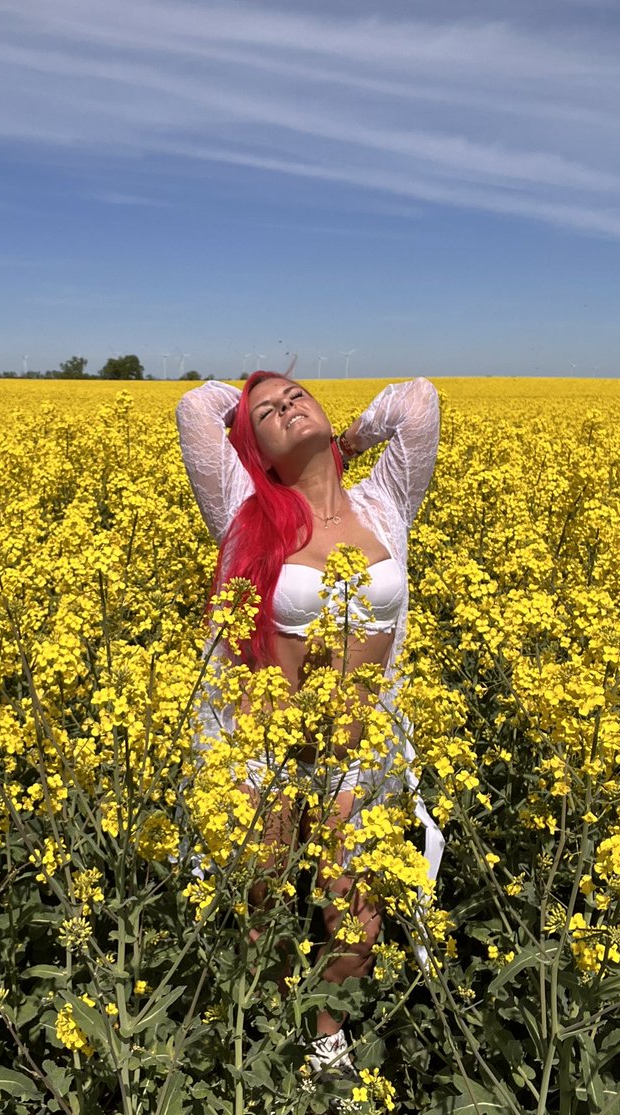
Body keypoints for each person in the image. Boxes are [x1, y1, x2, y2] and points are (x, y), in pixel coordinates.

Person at [175, 371, 445, 1072]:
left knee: (354, 924)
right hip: (265, 756)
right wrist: (244, 407)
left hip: (350, 760)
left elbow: (417, 401)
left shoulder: (384, 505)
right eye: (268, 412)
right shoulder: (245, 509)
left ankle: (326, 1038)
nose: (286, 404)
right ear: (253, 451)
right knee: (261, 911)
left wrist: (349, 440)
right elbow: (193, 407)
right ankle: (262, 1035)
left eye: (296, 395)